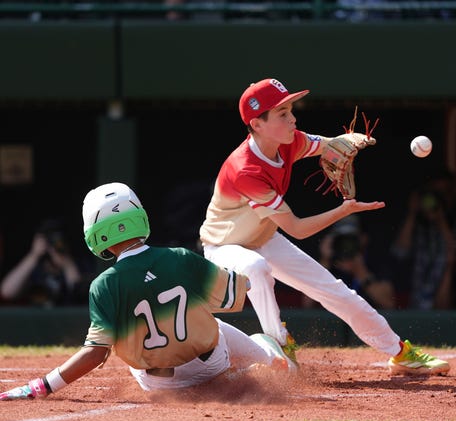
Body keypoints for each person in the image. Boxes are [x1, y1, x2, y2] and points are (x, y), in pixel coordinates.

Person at [199, 77, 449, 375]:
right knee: (255, 267)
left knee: (336, 292)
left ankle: (400, 353)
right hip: (224, 248)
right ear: (257, 124)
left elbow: (325, 146)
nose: (292, 118)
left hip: (262, 237)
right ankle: (280, 343)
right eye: (282, 113)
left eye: (290, 109)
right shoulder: (246, 170)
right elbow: (298, 228)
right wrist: (343, 211)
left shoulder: (288, 142)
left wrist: (344, 142)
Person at [0, 182, 296, 401]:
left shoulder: (103, 284)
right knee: (215, 324)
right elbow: (238, 291)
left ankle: (227, 377)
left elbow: (94, 354)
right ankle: (270, 358)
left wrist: (41, 386)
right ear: (139, 218)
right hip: (211, 365)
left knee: (116, 339)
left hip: (158, 386)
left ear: (95, 233)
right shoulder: (180, 257)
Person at [390, 173, 455, 310]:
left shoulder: (451, 222)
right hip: (413, 303)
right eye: (435, 193)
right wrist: (412, 212)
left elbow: (453, 254)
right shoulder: (415, 224)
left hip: (446, 301)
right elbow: (400, 252)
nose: (439, 198)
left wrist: (441, 219)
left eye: (443, 193)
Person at [0, 218, 85, 307]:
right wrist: (34, 255)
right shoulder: (33, 268)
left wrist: (67, 264)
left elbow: (81, 295)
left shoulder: (78, 264)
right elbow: (7, 292)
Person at [318, 215, 396, 310]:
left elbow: (388, 303)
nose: (346, 244)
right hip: (331, 321)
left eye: (351, 238)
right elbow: (307, 303)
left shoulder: (376, 261)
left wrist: (360, 271)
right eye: (342, 238)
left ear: (363, 238)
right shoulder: (328, 262)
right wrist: (325, 261)